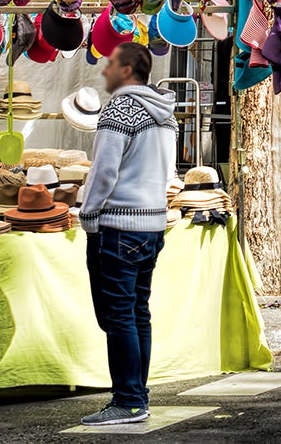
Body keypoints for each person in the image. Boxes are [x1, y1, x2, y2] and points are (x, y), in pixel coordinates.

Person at [77, 42, 177, 427]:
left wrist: (89, 214)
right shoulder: (165, 114)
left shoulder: (119, 109)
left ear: (127, 71)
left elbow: (103, 171)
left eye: (110, 64)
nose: (104, 70)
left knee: (119, 316)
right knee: (137, 313)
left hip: (118, 225)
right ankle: (137, 395)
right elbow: (167, 173)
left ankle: (129, 400)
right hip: (151, 222)